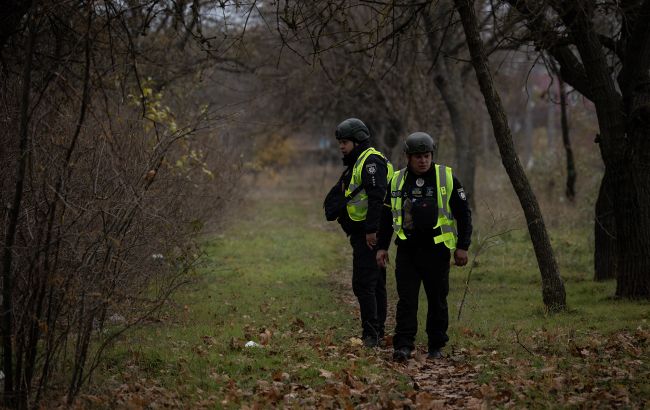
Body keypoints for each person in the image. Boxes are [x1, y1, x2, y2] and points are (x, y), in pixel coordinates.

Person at [376, 132, 472, 361]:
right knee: (407, 299)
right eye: (418, 156)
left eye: (427, 155)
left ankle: (436, 345)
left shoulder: (447, 177)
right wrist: (382, 247)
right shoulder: (397, 180)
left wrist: (463, 246)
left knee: (437, 299)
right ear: (408, 157)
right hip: (407, 251)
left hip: (437, 251)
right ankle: (403, 345)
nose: (423, 160)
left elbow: (463, 214)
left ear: (432, 155)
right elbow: (386, 216)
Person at [331, 118, 393, 347]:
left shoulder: (371, 162)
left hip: (370, 235)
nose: (341, 147)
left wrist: (371, 231)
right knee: (373, 283)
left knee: (364, 283)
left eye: (345, 142)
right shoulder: (360, 161)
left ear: (358, 141)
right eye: (340, 142)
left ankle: (371, 334)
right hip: (364, 233)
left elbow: (377, 198)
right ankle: (376, 331)